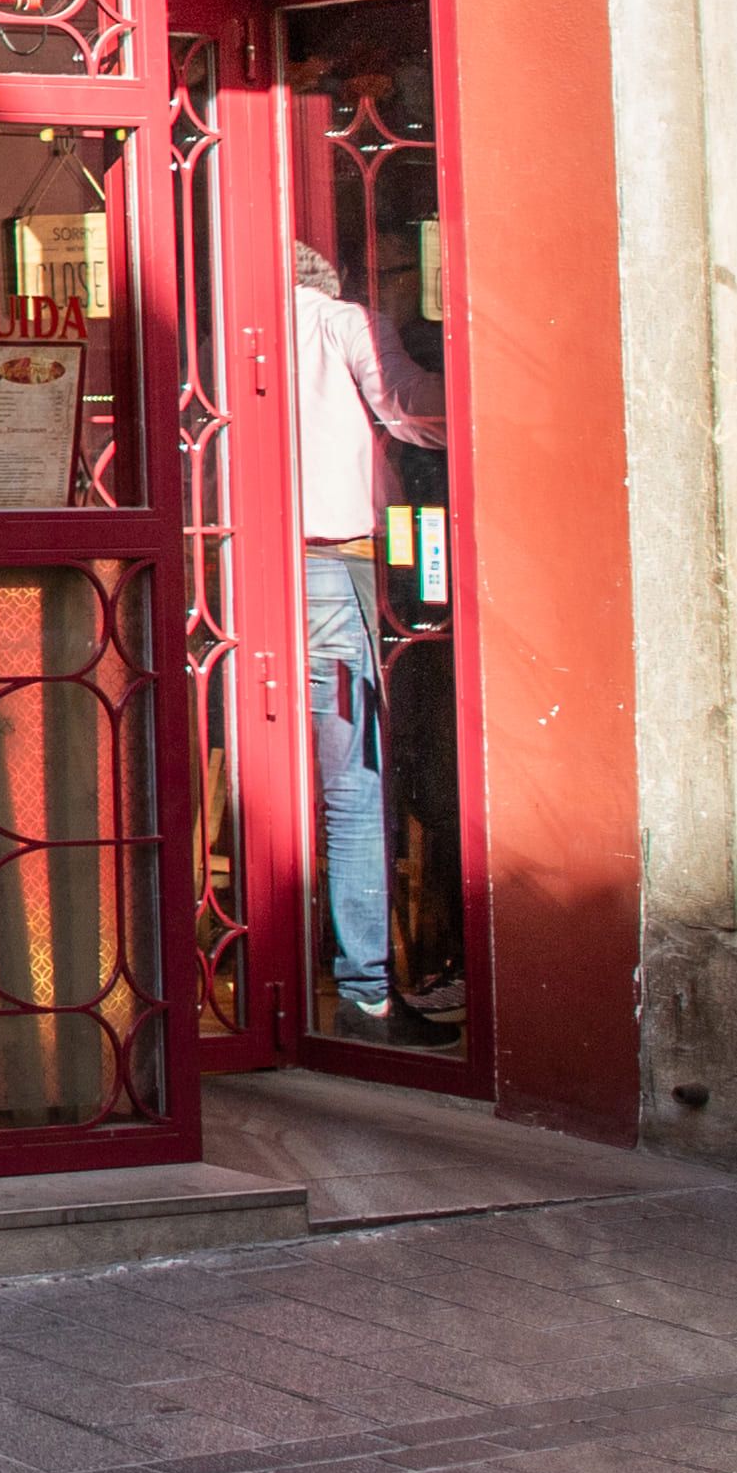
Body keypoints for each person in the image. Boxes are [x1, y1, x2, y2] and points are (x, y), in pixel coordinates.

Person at [291, 239, 448, 1036]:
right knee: (353, 787)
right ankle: (363, 993)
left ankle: (268, 982)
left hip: (240, 569)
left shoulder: (220, 341)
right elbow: (409, 408)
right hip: (332, 567)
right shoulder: (342, 323)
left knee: (266, 776)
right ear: (333, 275)